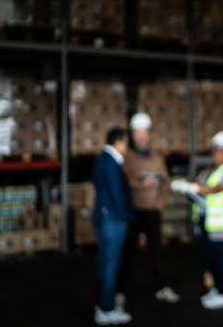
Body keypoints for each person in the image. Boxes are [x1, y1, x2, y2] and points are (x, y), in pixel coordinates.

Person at [172, 130, 223, 310]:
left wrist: (193, 187)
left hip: (221, 225)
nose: (214, 155)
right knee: (210, 259)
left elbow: (215, 189)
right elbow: (201, 182)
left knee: (220, 260)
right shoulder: (214, 169)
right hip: (209, 222)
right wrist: (189, 185)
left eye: (217, 151)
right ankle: (217, 289)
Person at [117, 112, 180, 308]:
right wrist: (142, 182)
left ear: (149, 135)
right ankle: (121, 292)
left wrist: (160, 202)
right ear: (133, 136)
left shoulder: (157, 158)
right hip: (135, 212)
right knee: (128, 254)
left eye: (144, 133)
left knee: (156, 253)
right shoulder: (127, 158)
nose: (142, 137)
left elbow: (165, 181)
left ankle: (161, 288)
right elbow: (123, 182)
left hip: (153, 211)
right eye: (138, 134)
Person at [92, 127, 134, 325]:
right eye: (126, 142)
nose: (127, 146)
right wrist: (125, 215)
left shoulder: (105, 161)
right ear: (119, 141)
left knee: (105, 264)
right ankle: (106, 309)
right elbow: (117, 193)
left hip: (106, 218)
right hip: (113, 220)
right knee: (110, 265)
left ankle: (104, 304)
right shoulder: (110, 163)